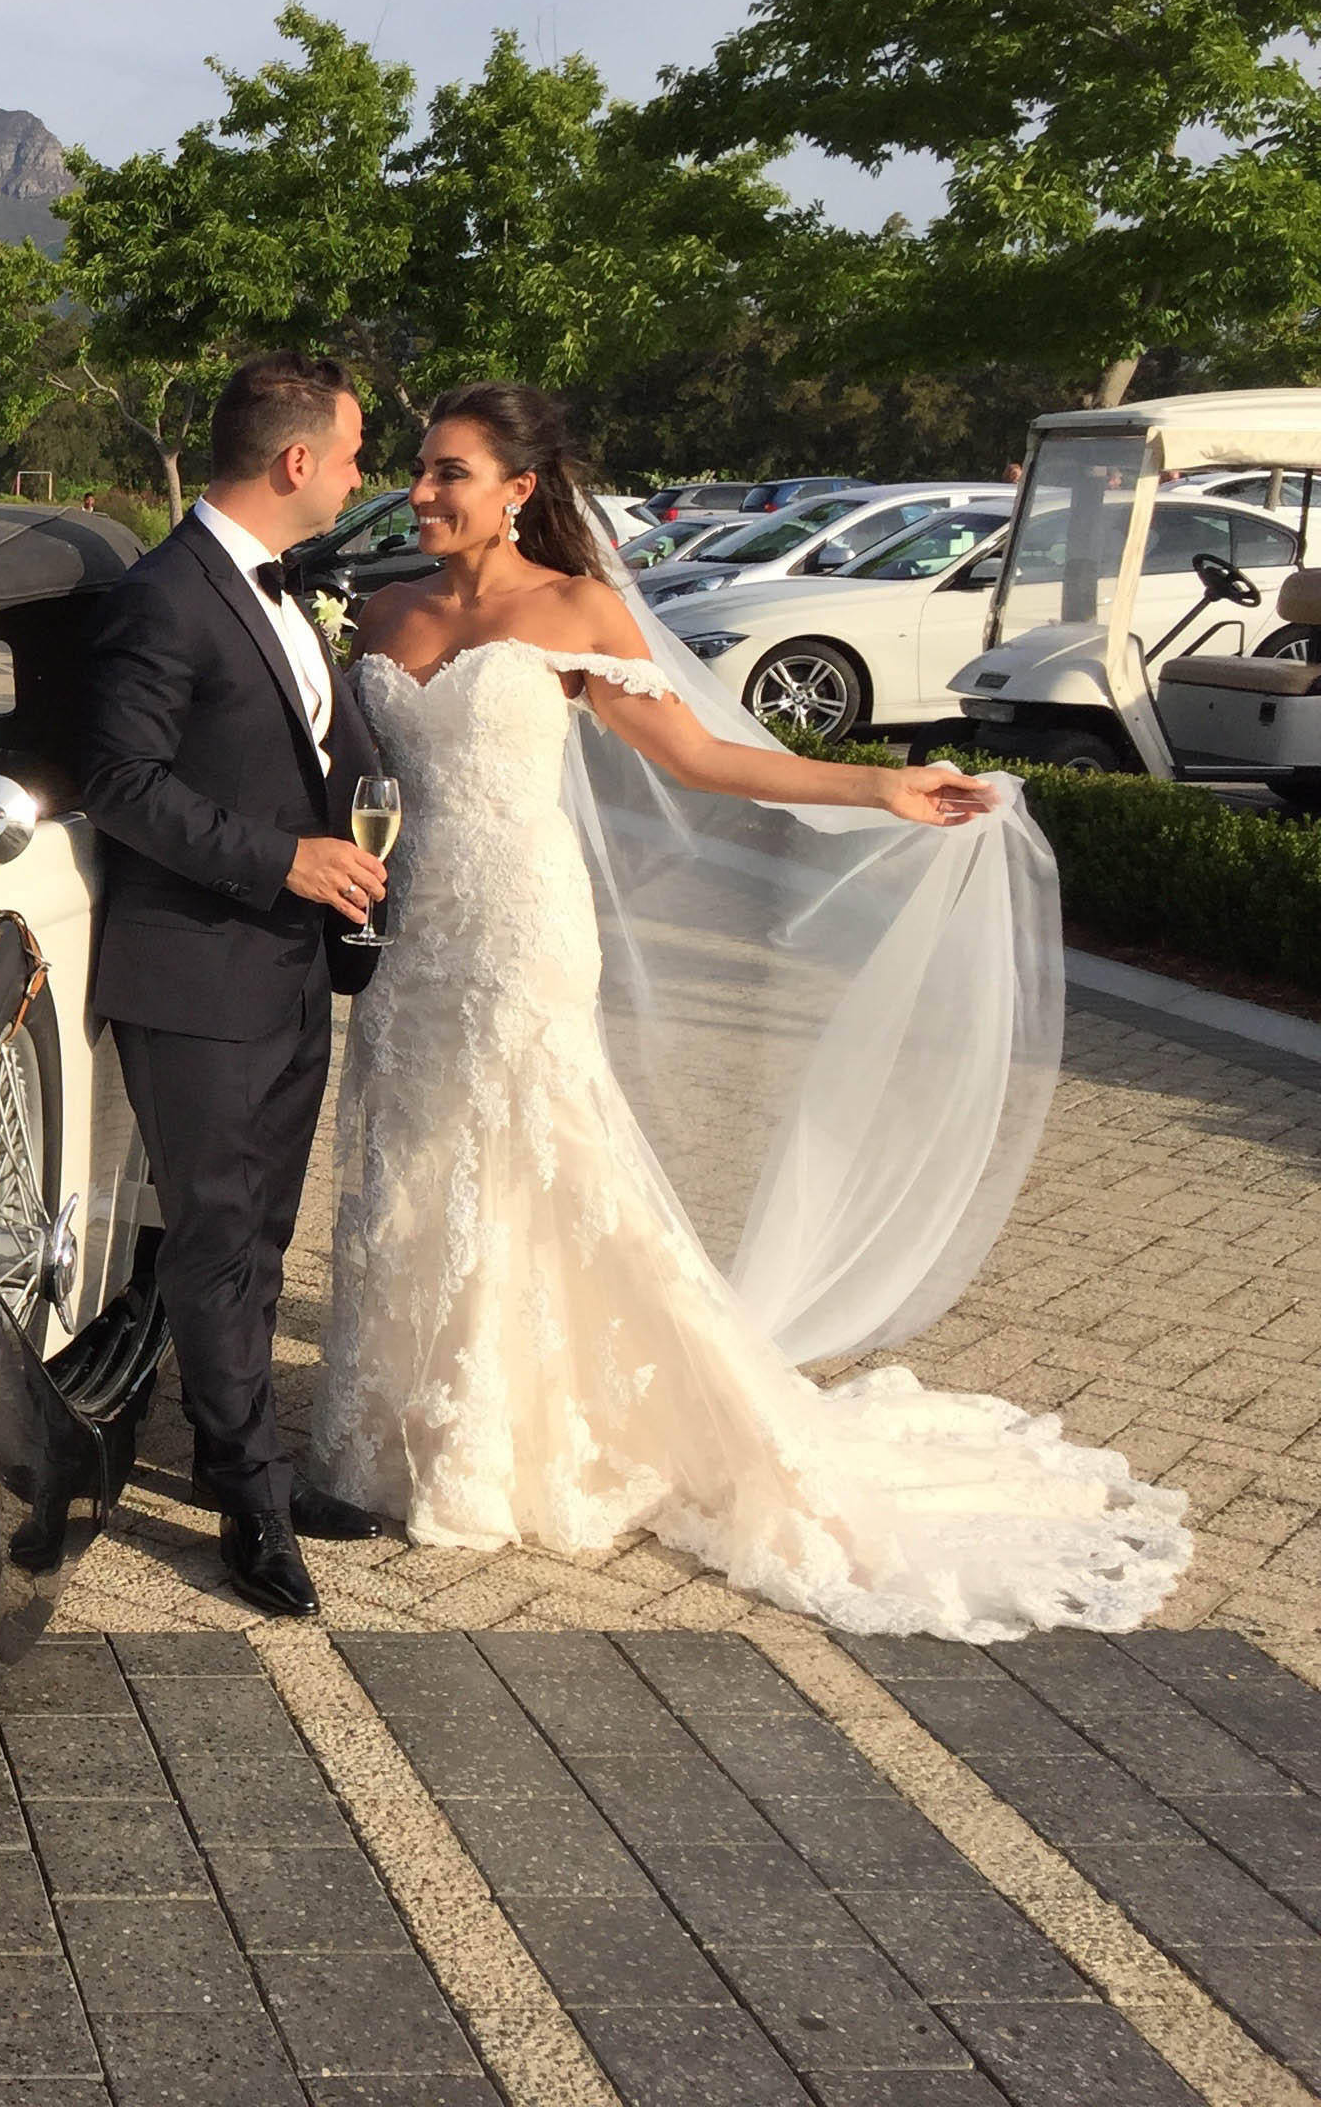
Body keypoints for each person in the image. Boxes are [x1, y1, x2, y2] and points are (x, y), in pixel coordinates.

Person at [320, 382, 1189, 1639]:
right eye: (419, 466)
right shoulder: (382, 610)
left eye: (453, 472)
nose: (425, 491)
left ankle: (516, 1438)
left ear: (518, 492)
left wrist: (880, 789)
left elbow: (704, 758)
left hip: (521, 929)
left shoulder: (575, 611)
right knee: (411, 1163)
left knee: (536, 1163)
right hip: (414, 938)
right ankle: (409, 1422)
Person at [80, 353, 393, 1619]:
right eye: (359, 452)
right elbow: (124, 783)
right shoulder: (166, 598)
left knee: (260, 1235)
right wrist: (286, 860)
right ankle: (253, 1509)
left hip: (280, 969)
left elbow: (312, 747)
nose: (367, 475)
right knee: (215, 1240)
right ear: (297, 462)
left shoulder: (281, 595)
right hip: (195, 973)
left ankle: (235, 1457)